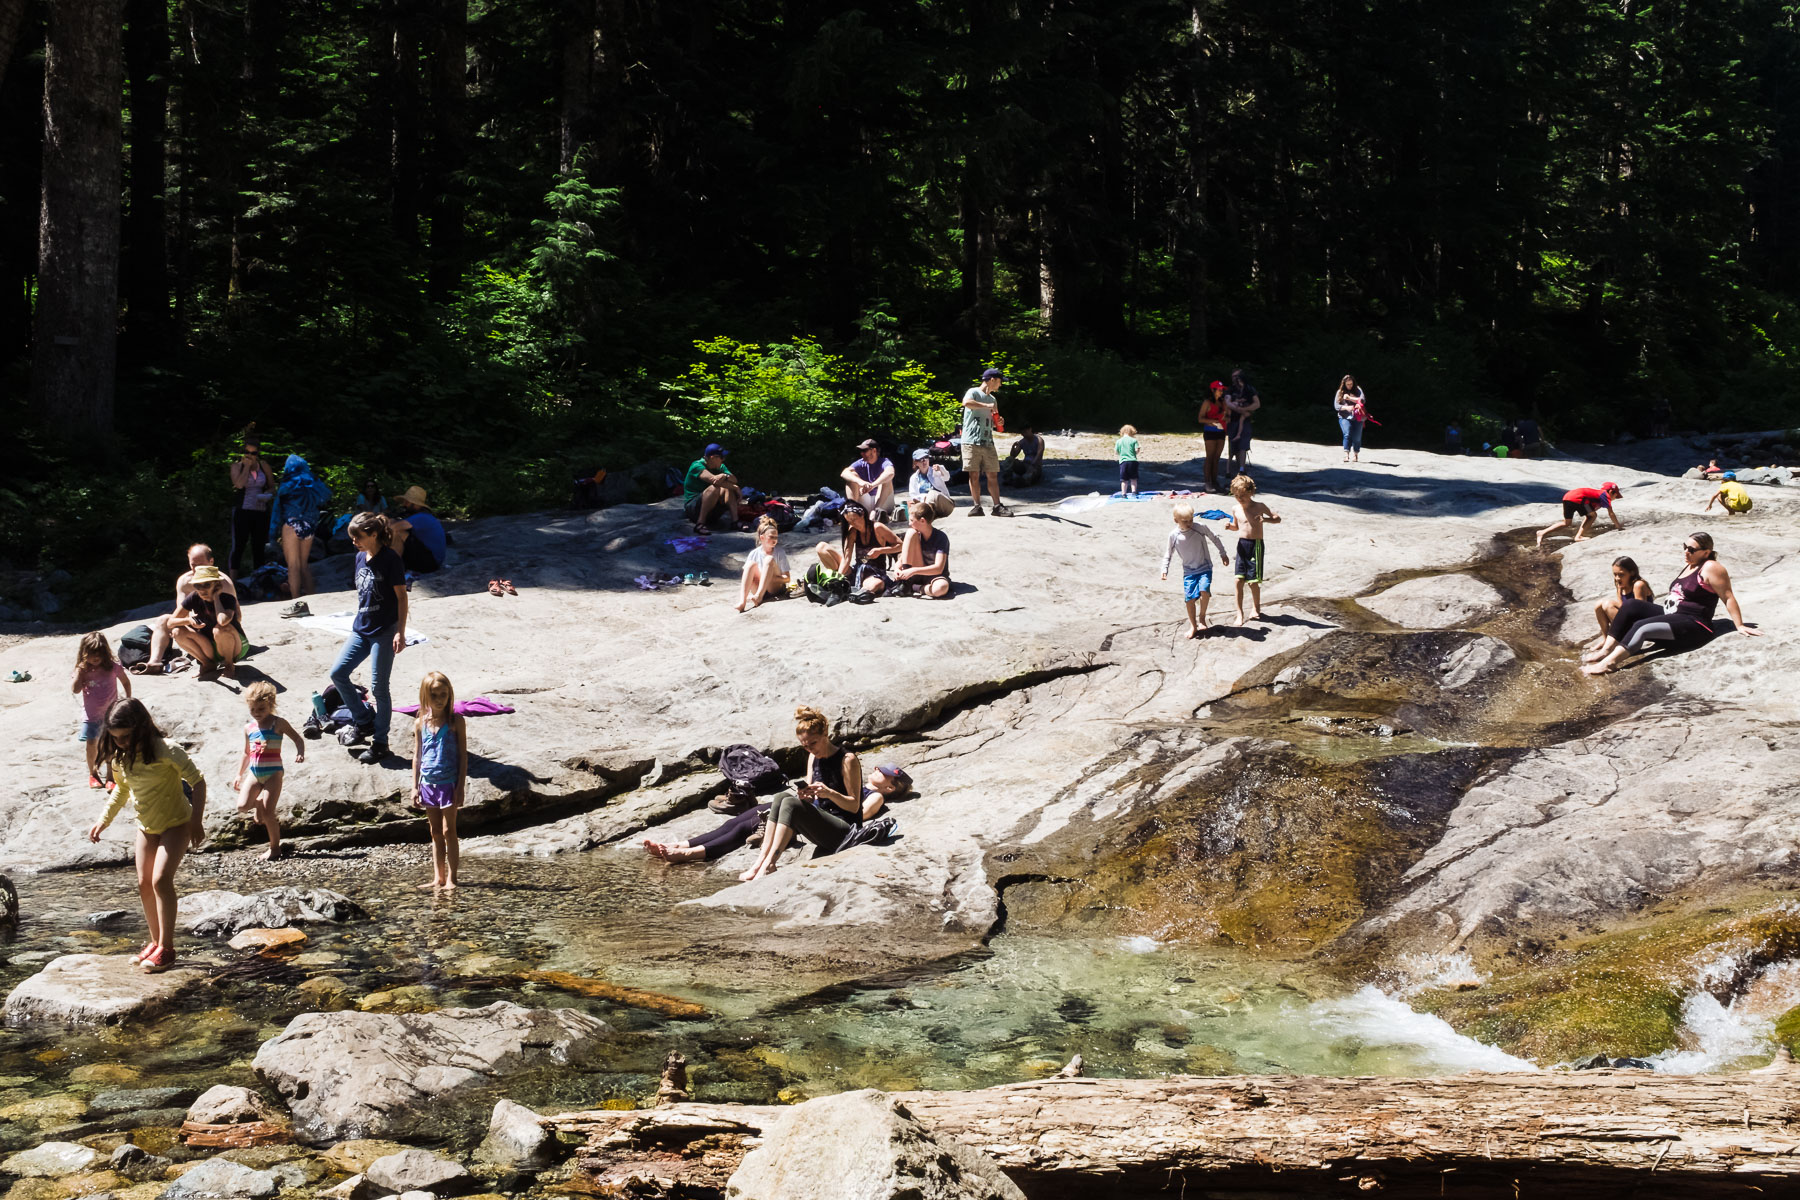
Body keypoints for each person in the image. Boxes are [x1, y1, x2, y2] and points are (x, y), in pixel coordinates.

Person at [87, 698, 208, 974]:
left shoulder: (167, 750)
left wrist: (196, 821)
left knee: (161, 880)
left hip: (177, 824)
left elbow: (198, 781)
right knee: (143, 883)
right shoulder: (120, 758)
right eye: (115, 738)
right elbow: (121, 790)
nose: (121, 743)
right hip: (146, 826)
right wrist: (102, 821)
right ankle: (155, 942)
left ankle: (167, 947)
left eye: (126, 737)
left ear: (142, 727)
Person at [644, 764, 910, 864]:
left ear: (889, 786)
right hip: (804, 807)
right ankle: (680, 844)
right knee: (735, 821)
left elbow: (857, 815)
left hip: (807, 819)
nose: (876, 769)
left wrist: (828, 796)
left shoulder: (874, 796)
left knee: (743, 827)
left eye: (884, 772)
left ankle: (688, 855)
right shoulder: (859, 782)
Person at [737, 706, 881, 882]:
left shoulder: (847, 759)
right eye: (804, 746)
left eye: (813, 743)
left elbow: (854, 806)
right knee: (782, 797)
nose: (810, 749)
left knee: (790, 804)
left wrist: (829, 793)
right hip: (822, 825)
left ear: (825, 735)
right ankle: (760, 862)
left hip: (846, 829)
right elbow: (810, 798)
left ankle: (769, 864)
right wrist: (806, 795)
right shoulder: (813, 758)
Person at [1583, 532, 1760, 675]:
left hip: (1695, 625)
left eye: (1691, 549)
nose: (1686, 552)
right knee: (1631, 606)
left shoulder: (1711, 567)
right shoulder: (1690, 565)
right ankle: (1607, 650)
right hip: (1674, 617)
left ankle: (1609, 663)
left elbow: (1728, 596)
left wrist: (1739, 625)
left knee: (1641, 626)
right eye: (1685, 547)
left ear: (1706, 552)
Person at [328, 512, 409, 764]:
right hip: (361, 629)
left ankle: (381, 743)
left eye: (359, 537)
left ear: (374, 534)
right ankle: (364, 720)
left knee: (378, 688)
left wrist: (400, 632)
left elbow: (402, 597)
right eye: (352, 537)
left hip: (385, 631)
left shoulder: (390, 559)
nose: (354, 541)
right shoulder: (359, 558)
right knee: (338, 673)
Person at [232, 681, 303, 861]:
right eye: (253, 709)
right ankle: (258, 803)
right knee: (242, 806)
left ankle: (274, 848)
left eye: (261, 709)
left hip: (273, 773)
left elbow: (297, 738)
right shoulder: (249, 728)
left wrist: (300, 753)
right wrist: (239, 774)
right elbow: (246, 752)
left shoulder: (278, 723)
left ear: (271, 704)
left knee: (268, 814)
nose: (257, 713)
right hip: (255, 773)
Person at [411, 671, 467, 891]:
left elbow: (463, 755)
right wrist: (414, 786)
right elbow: (417, 756)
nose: (439, 699)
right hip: (428, 782)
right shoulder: (420, 724)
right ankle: (438, 877)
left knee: (448, 830)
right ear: (426, 697)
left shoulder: (456, 722)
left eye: (443, 694)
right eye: (434, 695)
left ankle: (452, 878)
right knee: (434, 831)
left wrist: (460, 786)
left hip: (449, 783)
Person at [146, 544, 239, 671]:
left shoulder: (223, 582)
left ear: (211, 561)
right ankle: (154, 662)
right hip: (199, 625)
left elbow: (235, 617)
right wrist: (190, 622)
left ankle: (226, 661)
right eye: (193, 565)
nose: (196, 569)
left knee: (220, 628)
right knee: (163, 620)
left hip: (222, 628)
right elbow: (179, 614)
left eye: (200, 565)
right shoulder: (185, 582)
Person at [1161, 504, 1229, 639]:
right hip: (1189, 571)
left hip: (1205, 567)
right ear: (1176, 521)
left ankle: (1202, 617)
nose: (1189, 523)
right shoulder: (1174, 535)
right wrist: (1164, 569)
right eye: (1185, 521)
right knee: (1189, 599)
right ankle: (1193, 625)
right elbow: (1168, 553)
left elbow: (1214, 537)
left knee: (1204, 591)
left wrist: (1223, 553)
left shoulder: (1200, 527)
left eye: (1191, 519)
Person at [272, 454, 329, 613]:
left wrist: (272, 534)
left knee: (293, 566)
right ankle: (313, 598)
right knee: (304, 565)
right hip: (309, 525)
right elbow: (322, 502)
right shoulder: (313, 483)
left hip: (292, 523)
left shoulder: (287, 485)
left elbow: (277, 511)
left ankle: (295, 602)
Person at [72, 632, 130, 789]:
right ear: (84, 653)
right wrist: (79, 672)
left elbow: (126, 682)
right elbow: (76, 690)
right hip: (91, 716)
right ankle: (94, 774)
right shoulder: (83, 670)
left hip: (111, 715)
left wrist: (127, 701)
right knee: (91, 744)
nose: (95, 657)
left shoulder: (113, 667)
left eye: (99, 652)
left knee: (111, 745)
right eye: (91, 653)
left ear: (105, 651)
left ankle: (111, 775)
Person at [168, 566, 246, 681]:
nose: (202, 590)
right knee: (177, 631)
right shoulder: (194, 597)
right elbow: (170, 623)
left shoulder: (227, 598)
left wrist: (216, 598)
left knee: (219, 629)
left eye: (206, 585)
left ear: (216, 584)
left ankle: (229, 664)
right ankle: (207, 664)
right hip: (210, 646)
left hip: (234, 646)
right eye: (197, 585)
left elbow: (223, 621)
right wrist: (188, 620)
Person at [1226, 474, 1281, 624]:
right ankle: (1239, 613)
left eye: (1243, 495)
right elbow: (1237, 526)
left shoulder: (1259, 506)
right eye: (1236, 495)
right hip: (1242, 545)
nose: (1240, 498)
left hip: (1255, 544)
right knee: (1238, 580)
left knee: (1253, 581)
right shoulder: (1235, 508)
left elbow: (1278, 519)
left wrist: (1266, 520)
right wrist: (1230, 527)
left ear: (1251, 492)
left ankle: (1256, 608)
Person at [815, 504, 900, 595]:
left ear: (862, 514)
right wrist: (838, 577)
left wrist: (880, 551)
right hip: (857, 571)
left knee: (875, 585)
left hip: (874, 574)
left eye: (854, 520)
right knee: (821, 547)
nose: (853, 524)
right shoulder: (853, 531)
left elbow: (900, 545)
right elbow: (846, 558)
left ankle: (857, 591)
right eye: (849, 521)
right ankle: (838, 585)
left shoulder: (878, 527)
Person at [961, 368, 1010, 516]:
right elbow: (966, 403)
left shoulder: (993, 399)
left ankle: (997, 506)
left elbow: (994, 420)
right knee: (974, 475)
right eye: (1000, 381)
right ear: (992, 379)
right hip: (971, 441)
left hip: (988, 440)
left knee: (992, 474)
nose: (1000, 385)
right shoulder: (974, 392)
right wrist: (985, 406)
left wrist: (999, 422)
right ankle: (977, 506)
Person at [227, 439, 275, 576]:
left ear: (257, 454)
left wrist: (267, 493)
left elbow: (272, 486)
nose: (250, 455)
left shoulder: (264, 466)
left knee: (259, 546)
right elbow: (239, 485)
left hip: (260, 510)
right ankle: (233, 582)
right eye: (246, 452)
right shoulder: (237, 466)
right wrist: (247, 467)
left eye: (253, 453)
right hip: (242, 510)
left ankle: (259, 578)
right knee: (238, 546)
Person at [1588, 556, 1656, 646]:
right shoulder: (1621, 586)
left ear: (1632, 573)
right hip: (1629, 621)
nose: (1617, 578)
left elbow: (1640, 612)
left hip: (1641, 624)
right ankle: (1606, 639)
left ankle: (1620, 639)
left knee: (1608, 605)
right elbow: (1622, 607)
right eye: (1615, 574)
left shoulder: (1638, 585)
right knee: (1599, 604)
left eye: (1621, 574)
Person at [1536, 482, 1624, 548]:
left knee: (1567, 523)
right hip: (1579, 499)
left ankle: (1541, 532)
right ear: (1611, 491)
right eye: (1616, 496)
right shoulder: (1604, 495)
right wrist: (1618, 527)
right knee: (1592, 516)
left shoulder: (1598, 493)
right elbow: (1611, 513)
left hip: (1567, 497)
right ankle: (1578, 536)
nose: (1615, 499)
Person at [736, 515, 792, 612]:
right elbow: (747, 576)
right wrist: (762, 577)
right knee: (750, 565)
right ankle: (742, 602)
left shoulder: (779, 552)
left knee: (769, 559)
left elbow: (787, 578)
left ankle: (759, 596)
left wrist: (770, 577)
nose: (775, 540)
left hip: (774, 588)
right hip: (758, 587)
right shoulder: (754, 553)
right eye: (771, 537)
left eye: (776, 537)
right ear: (762, 538)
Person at [683, 444, 743, 532]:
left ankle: (735, 521)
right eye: (722, 457)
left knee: (727, 489)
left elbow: (734, 479)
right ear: (713, 457)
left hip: (712, 510)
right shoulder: (697, 465)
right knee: (715, 487)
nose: (724, 459)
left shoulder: (720, 466)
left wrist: (725, 476)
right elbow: (714, 481)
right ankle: (700, 524)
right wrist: (736, 488)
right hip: (694, 509)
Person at [389, 486, 448, 575]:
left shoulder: (421, 517)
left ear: (414, 503)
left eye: (406, 502)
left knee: (398, 532)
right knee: (395, 525)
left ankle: (393, 566)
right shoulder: (424, 516)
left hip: (430, 563)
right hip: (432, 561)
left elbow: (393, 528)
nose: (404, 504)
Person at [895, 508, 952, 599]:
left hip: (933, 575)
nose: (909, 523)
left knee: (940, 588)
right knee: (910, 532)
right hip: (915, 573)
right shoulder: (915, 534)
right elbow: (903, 557)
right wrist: (897, 568)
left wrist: (913, 570)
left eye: (911, 520)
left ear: (922, 521)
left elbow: (938, 568)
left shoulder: (941, 537)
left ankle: (916, 588)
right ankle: (906, 583)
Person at [841, 439, 896, 515]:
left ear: (874, 450)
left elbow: (890, 473)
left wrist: (873, 485)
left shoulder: (884, 462)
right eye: (861, 451)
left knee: (887, 479)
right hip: (867, 501)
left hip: (883, 501)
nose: (862, 453)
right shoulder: (860, 463)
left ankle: (877, 512)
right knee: (851, 477)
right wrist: (861, 482)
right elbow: (844, 473)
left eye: (864, 450)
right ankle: (853, 511)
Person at [1224, 368, 1262, 478]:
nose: (1234, 379)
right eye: (1233, 376)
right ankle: (1229, 470)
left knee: (1243, 445)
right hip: (1233, 420)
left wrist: (1246, 409)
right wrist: (1240, 410)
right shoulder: (1230, 390)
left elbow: (1257, 404)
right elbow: (1227, 402)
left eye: (1237, 376)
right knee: (1233, 445)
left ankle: (1241, 469)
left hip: (1245, 421)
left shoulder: (1249, 390)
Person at [1198, 381, 1230, 492]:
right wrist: (1213, 421)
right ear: (1213, 390)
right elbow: (1200, 418)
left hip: (1221, 432)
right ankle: (1207, 482)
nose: (1221, 391)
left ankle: (1215, 482)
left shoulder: (1223, 402)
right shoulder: (1207, 403)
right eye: (1219, 389)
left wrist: (1225, 419)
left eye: (1222, 389)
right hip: (1210, 432)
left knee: (1217, 458)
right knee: (1210, 457)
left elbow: (1228, 417)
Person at [908, 449, 956, 520]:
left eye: (926, 458)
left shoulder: (935, 470)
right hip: (925, 505)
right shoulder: (914, 478)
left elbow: (947, 478)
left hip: (944, 506)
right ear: (916, 463)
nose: (924, 461)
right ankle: (928, 514)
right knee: (913, 504)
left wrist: (941, 469)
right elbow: (913, 496)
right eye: (921, 459)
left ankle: (927, 515)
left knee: (932, 493)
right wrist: (923, 498)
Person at [1333, 376, 1366, 463]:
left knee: (1357, 437)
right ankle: (1346, 454)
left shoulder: (1358, 389)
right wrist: (1346, 408)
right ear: (1344, 384)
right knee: (1347, 433)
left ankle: (1355, 454)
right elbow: (1336, 406)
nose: (1349, 386)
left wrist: (1349, 398)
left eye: (1351, 384)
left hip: (1358, 416)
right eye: (1347, 384)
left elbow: (1362, 400)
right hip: (1344, 416)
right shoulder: (1340, 392)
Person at [1116, 425, 1142, 496]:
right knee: (1134, 478)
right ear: (1132, 432)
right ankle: (1134, 492)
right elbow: (1137, 450)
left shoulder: (1118, 441)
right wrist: (1136, 452)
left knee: (1124, 479)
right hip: (1132, 461)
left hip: (1123, 462)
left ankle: (1123, 493)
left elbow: (1116, 452)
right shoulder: (1134, 440)